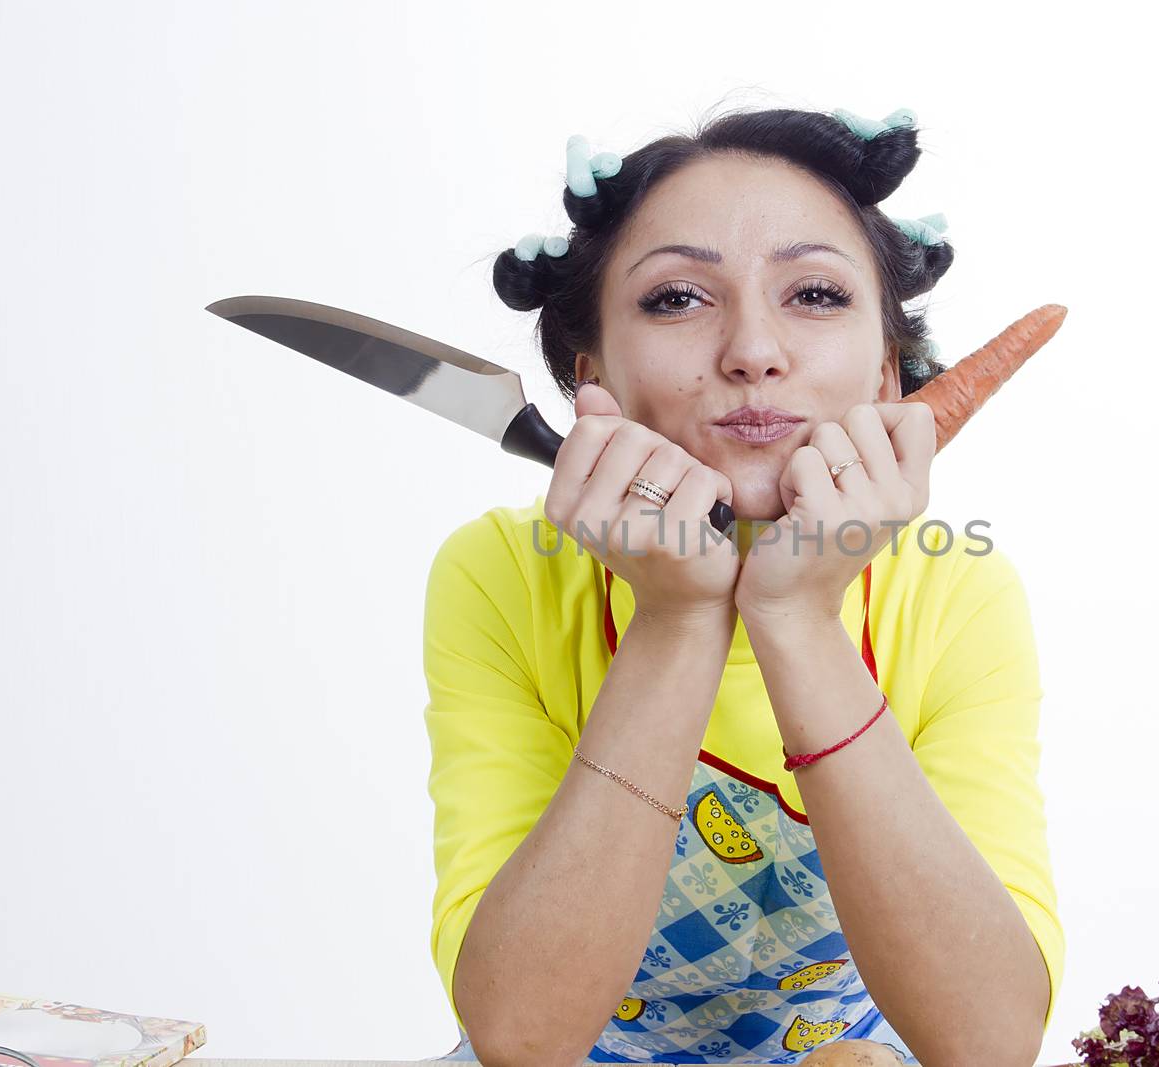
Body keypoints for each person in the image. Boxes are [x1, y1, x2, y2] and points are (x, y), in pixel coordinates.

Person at [424, 103, 1064, 1066]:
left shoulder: (955, 593)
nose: (754, 351)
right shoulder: (500, 574)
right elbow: (518, 1036)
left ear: (889, 373)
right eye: (677, 298)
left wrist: (796, 615)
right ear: (588, 373)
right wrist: (678, 616)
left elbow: (987, 1041)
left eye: (813, 293)